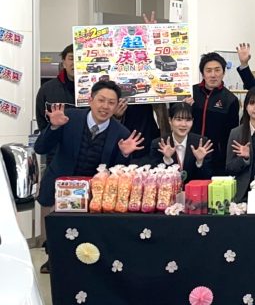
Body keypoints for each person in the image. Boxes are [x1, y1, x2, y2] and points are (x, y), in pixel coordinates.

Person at [34, 81, 144, 272]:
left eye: (111, 102)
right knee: (58, 230)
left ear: (117, 106)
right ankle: (53, 259)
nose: (105, 106)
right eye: (101, 100)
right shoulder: (68, 118)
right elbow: (40, 148)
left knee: (88, 233)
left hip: (94, 193)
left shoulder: (121, 133)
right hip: (61, 187)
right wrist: (54, 128)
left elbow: (118, 172)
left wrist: (124, 155)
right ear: (90, 100)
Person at [188, 52, 240, 176]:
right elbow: (176, 118)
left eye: (217, 70)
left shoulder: (230, 99)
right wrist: (186, 107)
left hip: (217, 157)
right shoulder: (191, 93)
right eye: (208, 70)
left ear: (223, 72)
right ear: (202, 73)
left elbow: (232, 134)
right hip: (190, 151)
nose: (213, 75)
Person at [148, 102, 213, 183]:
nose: (183, 124)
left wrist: (199, 161)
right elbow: (155, 179)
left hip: (193, 190)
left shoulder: (201, 143)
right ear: (170, 121)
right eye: (179, 119)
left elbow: (207, 178)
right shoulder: (158, 144)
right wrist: (167, 159)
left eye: (188, 120)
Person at [35, 43, 76, 132]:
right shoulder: (47, 89)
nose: (76, 62)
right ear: (64, 63)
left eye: (81, 59)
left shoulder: (96, 91)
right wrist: (54, 128)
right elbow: (43, 126)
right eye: (71, 58)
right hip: (57, 140)